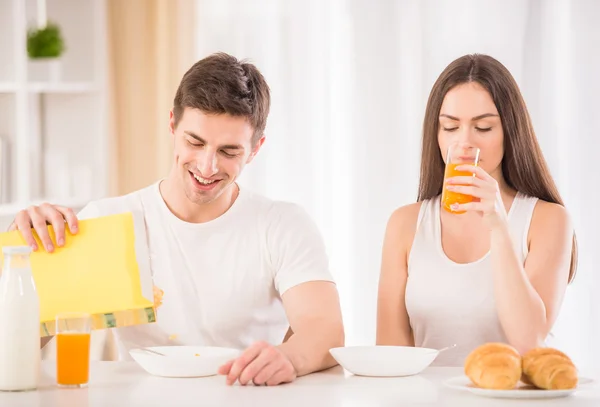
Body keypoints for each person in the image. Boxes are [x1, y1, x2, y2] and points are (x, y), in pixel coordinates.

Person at [11, 52, 344, 386]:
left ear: (255, 149)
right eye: (194, 142)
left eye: (229, 152)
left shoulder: (281, 224)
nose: (207, 166)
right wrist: (22, 256)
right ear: (172, 124)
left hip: (249, 395)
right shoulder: (110, 221)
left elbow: (324, 329)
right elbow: (16, 344)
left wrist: (288, 357)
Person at [376, 53, 577, 366]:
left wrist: (498, 227)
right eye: (450, 127)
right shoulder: (405, 224)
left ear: (510, 131)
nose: (465, 142)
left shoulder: (548, 220)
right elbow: (391, 355)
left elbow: (530, 342)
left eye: (483, 128)